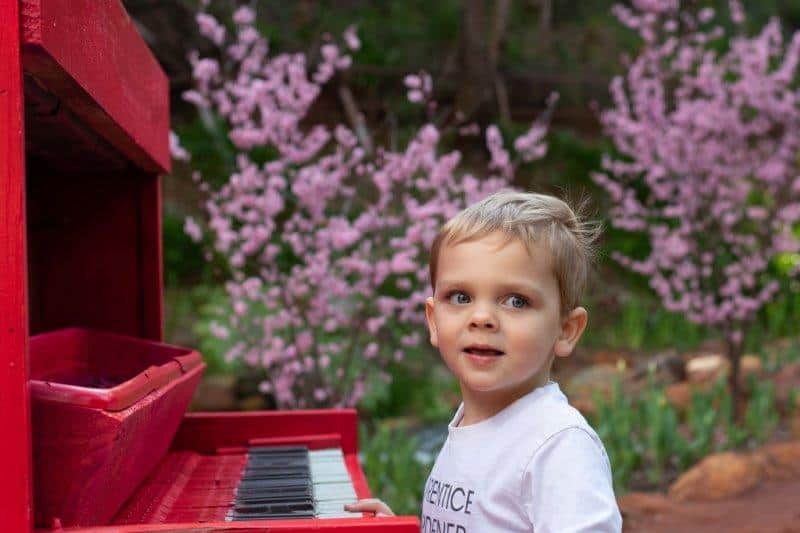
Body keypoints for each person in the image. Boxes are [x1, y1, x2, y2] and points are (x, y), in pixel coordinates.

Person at [345, 190, 622, 532]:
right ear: (433, 320)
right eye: (460, 297)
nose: (481, 317)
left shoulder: (557, 445)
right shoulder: (471, 424)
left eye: (516, 301)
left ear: (565, 330)